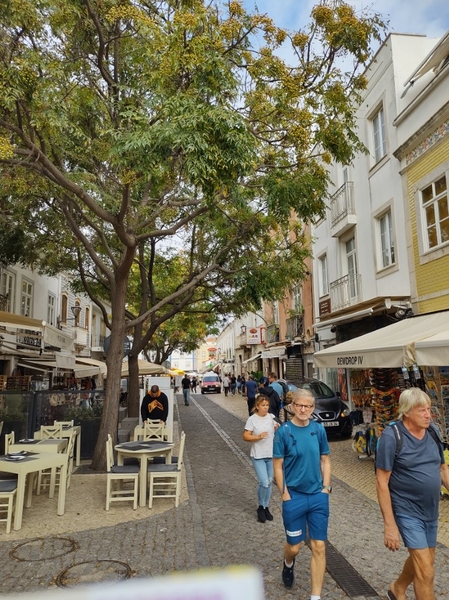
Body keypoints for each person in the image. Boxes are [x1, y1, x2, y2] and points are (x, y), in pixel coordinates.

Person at [376, 388, 449, 600]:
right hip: (407, 512)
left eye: (429, 409)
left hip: (431, 511)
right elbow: (382, 482)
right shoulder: (392, 437)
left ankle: (397, 588)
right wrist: (390, 526)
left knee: (426, 561)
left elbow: (443, 470)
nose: (428, 415)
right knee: (426, 571)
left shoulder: (433, 431)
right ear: (406, 412)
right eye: (422, 411)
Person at [273, 388, 331, 596]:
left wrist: (326, 488)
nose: (303, 409)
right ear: (292, 406)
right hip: (294, 497)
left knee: (319, 546)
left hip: (317, 496)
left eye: (308, 406)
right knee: (294, 547)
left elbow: (325, 459)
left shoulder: (318, 430)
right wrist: (284, 494)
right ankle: (288, 563)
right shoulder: (284, 432)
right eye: (299, 405)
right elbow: (277, 465)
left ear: (312, 408)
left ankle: (315, 595)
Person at [243, 395, 278, 523]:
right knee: (263, 482)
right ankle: (260, 506)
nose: (266, 408)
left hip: (270, 454)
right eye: (263, 405)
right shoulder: (252, 419)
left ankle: (266, 506)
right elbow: (246, 436)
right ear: (257, 406)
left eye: (267, 405)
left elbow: (277, 433)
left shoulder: (271, 417)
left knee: (269, 482)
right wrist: (258, 437)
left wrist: (277, 429)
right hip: (258, 454)